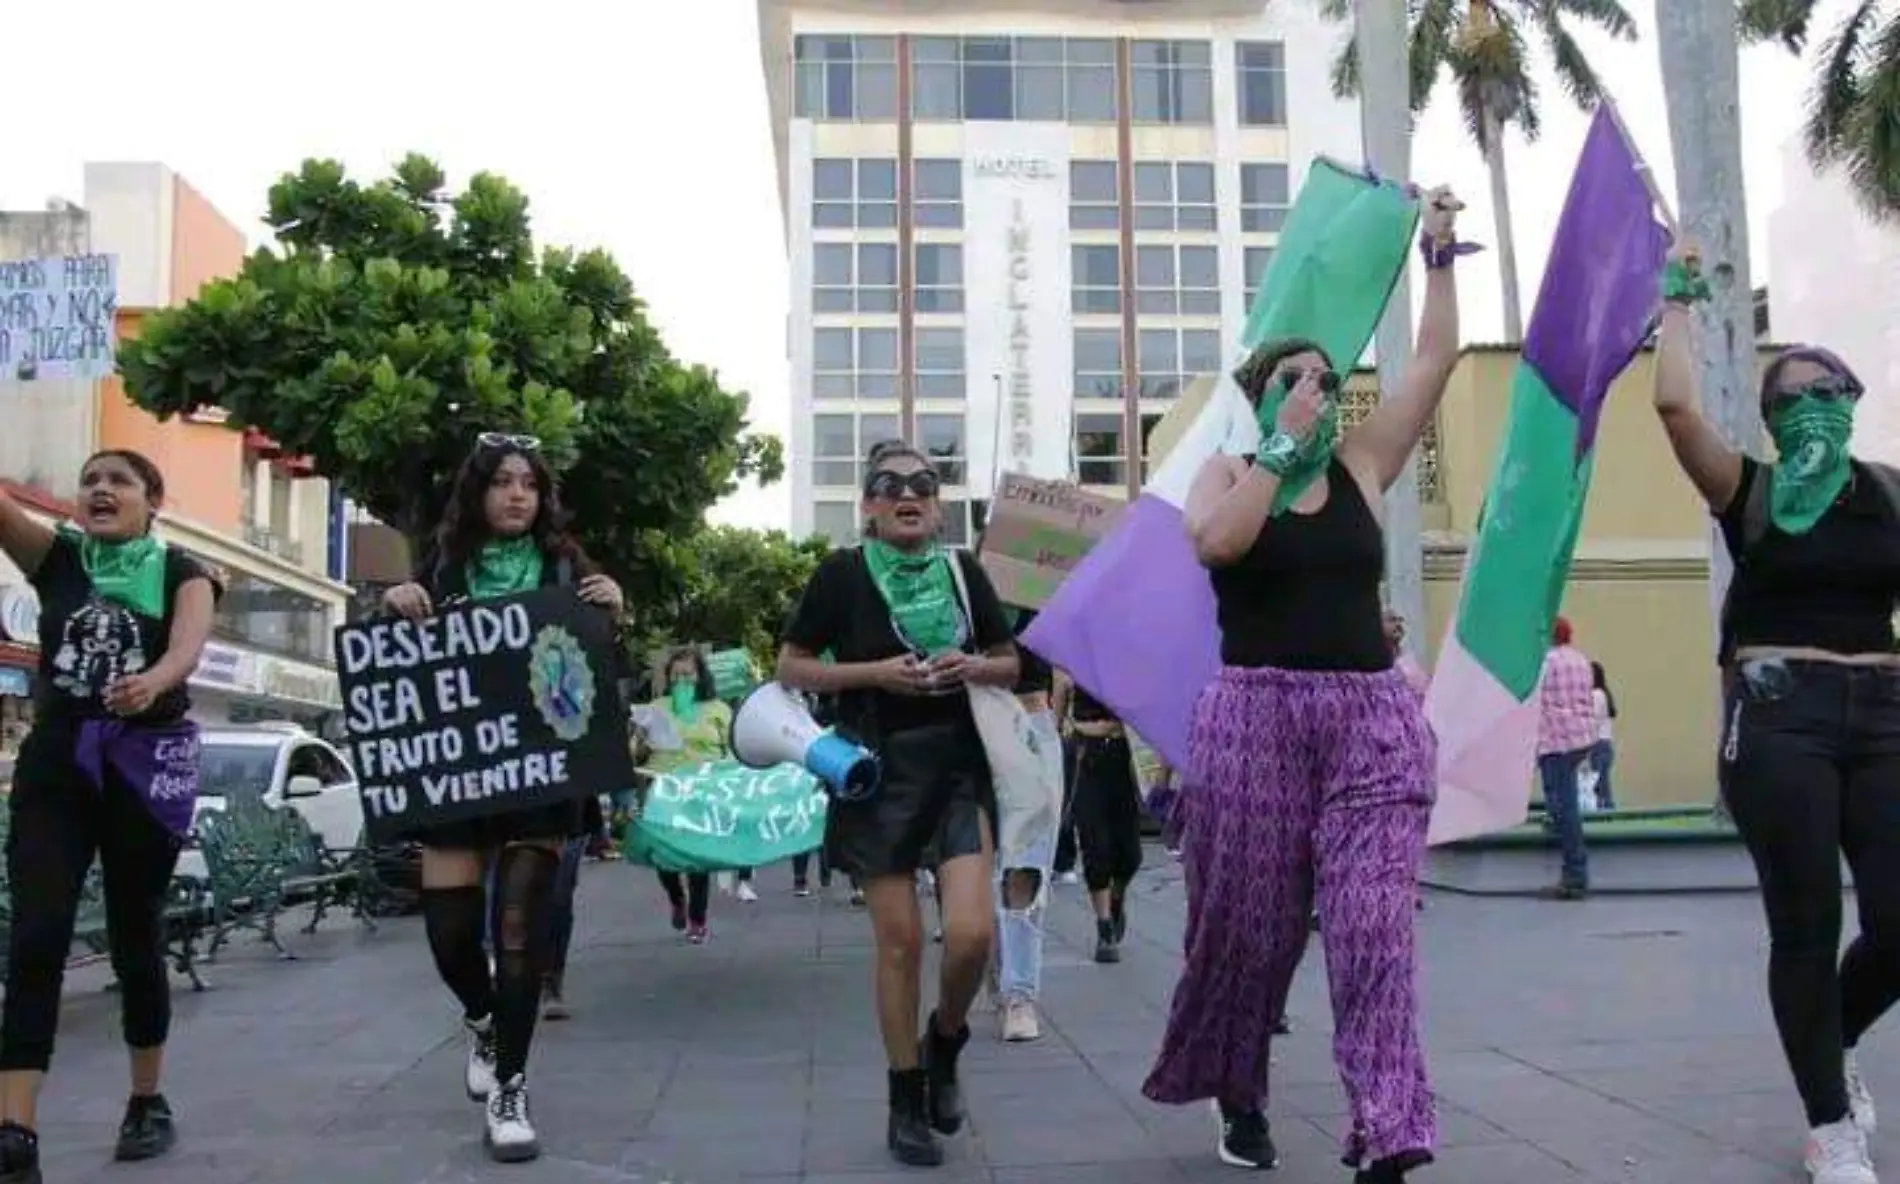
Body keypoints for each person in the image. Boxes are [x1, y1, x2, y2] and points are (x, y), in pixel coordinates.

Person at [1142, 188, 1464, 1181]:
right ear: (1262, 394)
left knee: (1372, 925)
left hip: (1368, 717)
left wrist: (1443, 257)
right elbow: (1215, 543)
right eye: (1297, 379)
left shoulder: (1365, 464)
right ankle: (1239, 1088)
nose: (1320, 390)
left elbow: (1432, 365)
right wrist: (1276, 450)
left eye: (1328, 378)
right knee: (1249, 928)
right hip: (1253, 717)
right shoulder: (1228, 472)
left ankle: (1387, 1123)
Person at [1653, 236, 1897, 1184]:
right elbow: (1674, 405)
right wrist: (1676, 296)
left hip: (1883, 708)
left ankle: (1827, 1044)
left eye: (1826, 389)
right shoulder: (1747, 490)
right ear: (1768, 417)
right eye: (1789, 397)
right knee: (1804, 923)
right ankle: (1830, 1123)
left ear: (1853, 400)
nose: (1810, 407)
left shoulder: (1888, 495)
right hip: (1779, 713)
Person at [381, 433, 625, 1163]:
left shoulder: (564, 566)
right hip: (459, 776)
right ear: (477, 493)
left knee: (520, 934)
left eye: (529, 484)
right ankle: (482, 1019)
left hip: (541, 780)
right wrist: (395, 603)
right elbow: (402, 660)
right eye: (502, 482)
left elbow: (594, 660)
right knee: (452, 936)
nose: (517, 494)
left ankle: (512, 1088)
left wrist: (615, 606)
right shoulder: (444, 566)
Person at [777, 440, 1018, 1168]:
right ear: (869, 506)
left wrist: (974, 664)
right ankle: (904, 1097)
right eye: (888, 485)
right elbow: (790, 665)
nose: (907, 494)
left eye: (923, 484)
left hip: (957, 769)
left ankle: (943, 1040)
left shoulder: (961, 569)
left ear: (939, 505)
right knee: (901, 943)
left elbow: (1013, 663)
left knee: (973, 936)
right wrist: (874, 673)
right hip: (874, 770)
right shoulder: (843, 574)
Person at [0, 450, 219, 1182]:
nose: (99, 489)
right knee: (37, 933)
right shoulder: (59, 558)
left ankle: (146, 1100)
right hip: (59, 766)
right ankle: (15, 1130)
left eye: (118, 481)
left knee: (135, 933)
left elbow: (186, 648)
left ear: (151, 500)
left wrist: (152, 681)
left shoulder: (183, 571)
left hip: (141, 767)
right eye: (89, 479)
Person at [991, 606, 1057, 1042]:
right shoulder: (956, 595)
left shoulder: (1045, 594)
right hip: (972, 731)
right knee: (972, 869)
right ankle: (993, 960)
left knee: (1025, 867)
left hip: (1032, 727)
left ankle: (1020, 993)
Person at [640, 646, 734, 944]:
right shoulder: (656, 707)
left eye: (688, 674)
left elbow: (731, 751)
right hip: (663, 788)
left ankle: (697, 919)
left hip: (701, 791)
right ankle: (676, 898)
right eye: (676, 674)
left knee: (696, 858)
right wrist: (640, 738)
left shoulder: (718, 709)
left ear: (700, 676)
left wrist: (727, 781)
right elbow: (637, 753)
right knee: (663, 856)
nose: (682, 679)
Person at [1057, 672, 1144, 965]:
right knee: (1096, 845)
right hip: (1085, 756)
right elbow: (1057, 721)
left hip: (1123, 756)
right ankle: (1104, 926)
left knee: (1131, 854)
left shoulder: (1127, 660)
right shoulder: (1070, 662)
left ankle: (1116, 897)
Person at [1536, 617, 1598, 901]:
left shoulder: (1545, 662)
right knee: (1564, 799)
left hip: (1556, 739)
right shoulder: (1580, 659)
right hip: (1581, 738)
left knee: (1563, 805)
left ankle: (1575, 874)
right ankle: (1572, 866)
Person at [1588, 661, 1617, 812]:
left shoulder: (1596, 695)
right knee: (1603, 784)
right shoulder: (1604, 694)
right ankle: (1608, 810)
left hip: (1598, 745)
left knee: (1600, 785)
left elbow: (1593, 719)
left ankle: (1607, 812)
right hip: (1605, 744)